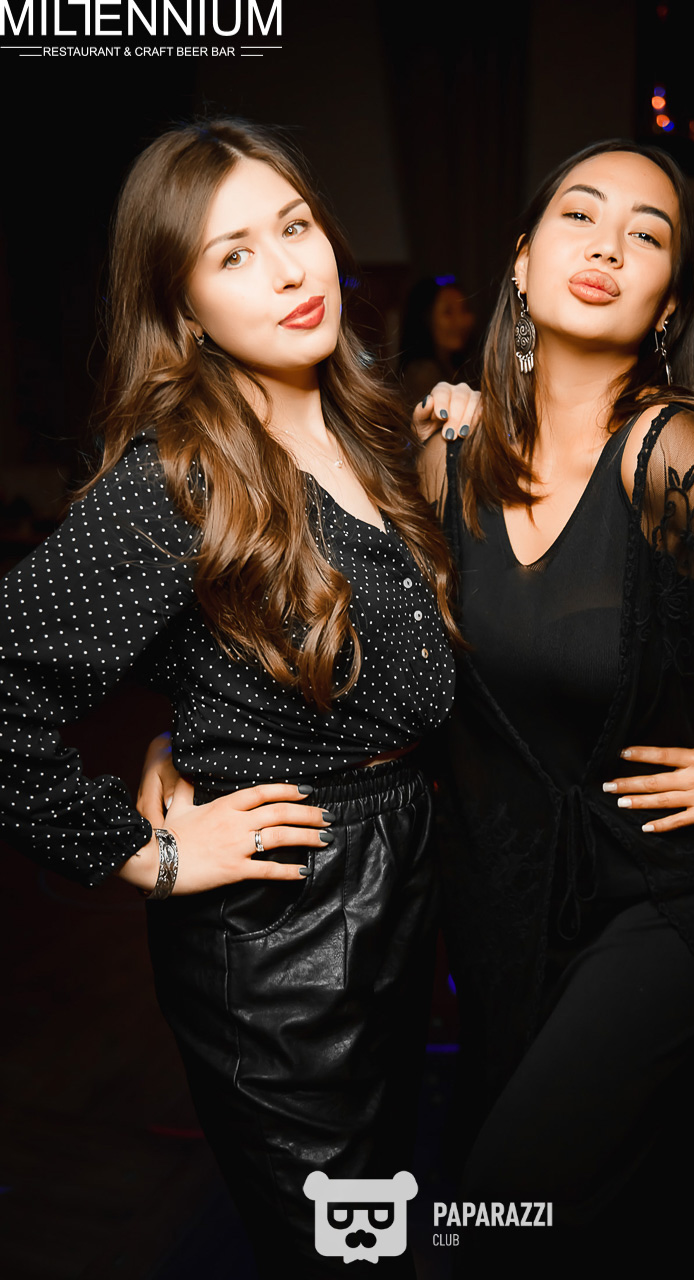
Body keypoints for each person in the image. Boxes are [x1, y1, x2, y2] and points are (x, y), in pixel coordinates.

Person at [0, 117, 474, 1279]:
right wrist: (143, 853)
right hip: (280, 925)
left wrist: (444, 454)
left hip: (399, 877)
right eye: (234, 254)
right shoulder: (182, 471)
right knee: (344, 1253)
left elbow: (375, 643)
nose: (288, 269)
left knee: (383, 1211)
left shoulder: (364, 420)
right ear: (184, 303)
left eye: (295, 227)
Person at [416, 140, 694, 1277]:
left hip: (673, 895)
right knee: (581, 1222)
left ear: (666, 305)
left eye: (647, 234)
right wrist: (178, 741)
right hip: (517, 903)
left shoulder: (666, 452)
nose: (608, 245)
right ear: (521, 262)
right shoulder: (448, 456)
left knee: (496, 1212)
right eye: (580, 215)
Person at [398, 277, 476, 405]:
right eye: (448, 312)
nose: (461, 321)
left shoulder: (459, 366)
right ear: (425, 318)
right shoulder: (422, 374)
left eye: (464, 309)